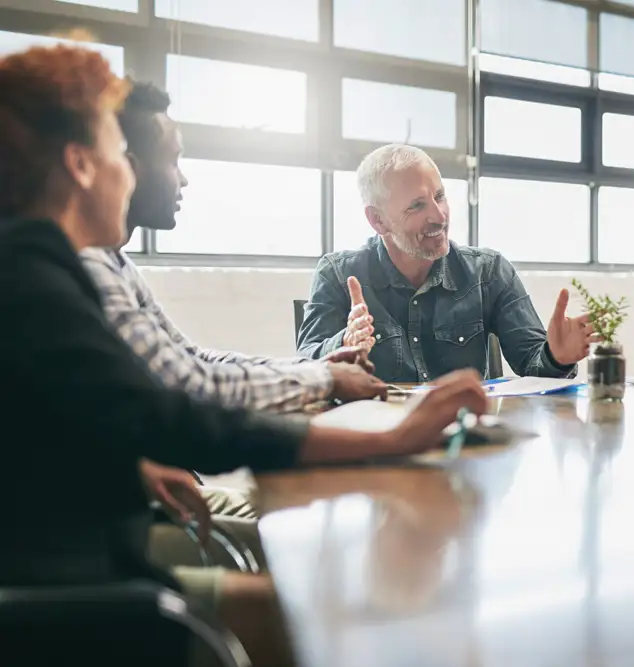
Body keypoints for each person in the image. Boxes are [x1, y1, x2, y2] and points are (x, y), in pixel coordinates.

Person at [0, 42, 487, 666]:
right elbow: (180, 416)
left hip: (84, 562)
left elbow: (86, 409)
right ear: (81, 165)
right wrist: (390, 440)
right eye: (118, 151)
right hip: (81, 595)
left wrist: (131, 464)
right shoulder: (33, 277)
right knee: (319, 614)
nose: (131, 169)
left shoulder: (33, 267)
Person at [81, 81, 383, 415]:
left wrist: (316, 369)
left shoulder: (117, 263)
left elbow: (192, 358)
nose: (183, 180)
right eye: (173, 160)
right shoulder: (88, 264)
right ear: (126, 168)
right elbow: (190, 385)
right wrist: (324, 378)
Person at [296, 143, 597, 383]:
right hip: (383, 444)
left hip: (471, 442)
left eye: (439, 196)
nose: (439, 216)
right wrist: (344, 343)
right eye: (417, 206)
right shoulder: (338, 274)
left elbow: (533, 364)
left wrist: (558, 357)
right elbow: (305, 367)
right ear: (378, 220)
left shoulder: (489, 271)